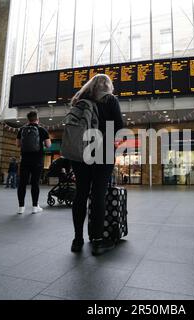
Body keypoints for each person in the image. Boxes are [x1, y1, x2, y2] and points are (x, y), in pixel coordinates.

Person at [69, 74, 123, 255]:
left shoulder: (79, 99)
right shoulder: (110, 100)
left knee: (81, 193)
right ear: (108, 86)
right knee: (98, 194)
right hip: (103, 151)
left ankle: (77, 240)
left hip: (80, 151)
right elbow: (119, 127)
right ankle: (98, 241)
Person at [16, 111, 51, 214]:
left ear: (28, 120)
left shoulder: (22, 130)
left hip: (25, 160)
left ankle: (21, 207)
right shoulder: (42, 130)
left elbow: (18, 144)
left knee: (22, 183)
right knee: (35, 184)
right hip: (38, 161)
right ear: (37, 119)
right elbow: (48, 145)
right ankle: (35, 207)